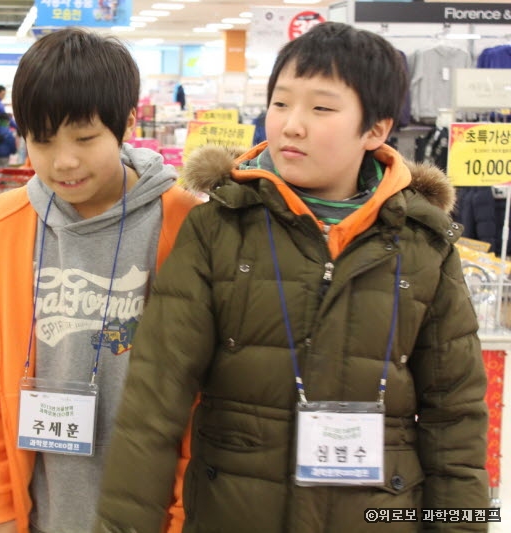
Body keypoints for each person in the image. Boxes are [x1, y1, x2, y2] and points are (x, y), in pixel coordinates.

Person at [95, 22, 489, 532]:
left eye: (321, 108)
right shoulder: (219, 227)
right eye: (280, 103)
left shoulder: (424, 244)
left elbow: (455, 421)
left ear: (375, 130)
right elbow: (154, 402)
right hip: (235, 514)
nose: (291, 125)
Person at [0, 28, 201, 533]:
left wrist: (183, 512)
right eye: (42, 140)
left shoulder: (183, 224)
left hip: (155, 512)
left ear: (127, 123)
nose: (63, 161)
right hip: (43, 509)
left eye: (85, 138)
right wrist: (0, 507)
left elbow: (203, 392)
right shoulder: (4, 226)